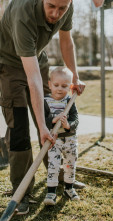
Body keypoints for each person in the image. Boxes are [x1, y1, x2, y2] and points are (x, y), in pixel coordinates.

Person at [0, 0, 85, 215]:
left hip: (37, 56)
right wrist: (41, 126)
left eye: (62, 8)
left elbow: (66, 41)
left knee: (50, 116)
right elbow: (33, 81)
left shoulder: (65, 7)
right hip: (9, 61)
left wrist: (75, 78)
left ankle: (58, 174)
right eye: (51, 6)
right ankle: (22, 191)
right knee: (20, 126)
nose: (56, 13)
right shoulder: (24, 14)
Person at [43, 67, 80, 206]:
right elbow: (42, 120)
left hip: (70, 139)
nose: (59, 89)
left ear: (70, 86)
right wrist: (53, 120)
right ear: (49, 84)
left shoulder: (69, 101)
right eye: (56, 85)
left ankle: (69, 188)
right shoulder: (45, 101)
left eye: (64, 86)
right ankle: (51, 192)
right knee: (53, 165)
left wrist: (68, 125)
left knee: (70, 164)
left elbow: (75, 119)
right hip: (54, 140)